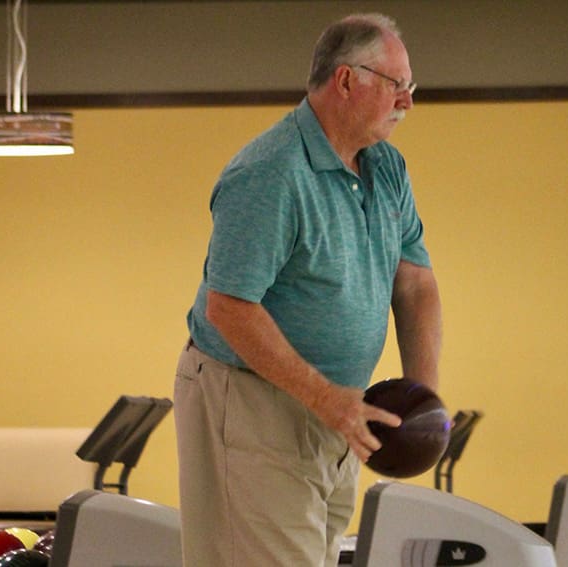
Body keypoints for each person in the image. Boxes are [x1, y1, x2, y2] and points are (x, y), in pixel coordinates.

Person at [174, 12, 442, 567]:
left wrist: (424, 400)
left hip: (334, 409)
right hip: (251, 400)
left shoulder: (387, 168)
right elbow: (229, 307)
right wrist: (326, 398)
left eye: (410, 88)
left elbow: (414, 282)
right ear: (346, 81)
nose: (408, 102)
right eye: (398, 85)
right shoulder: (270, 173)